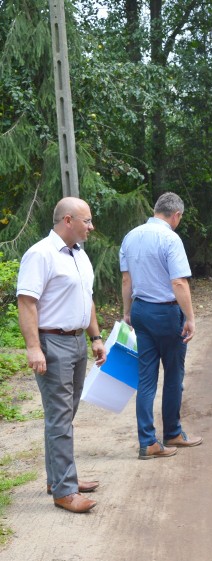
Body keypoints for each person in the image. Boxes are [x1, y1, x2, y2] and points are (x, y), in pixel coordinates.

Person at [16, 197, 106, 513]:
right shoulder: (40, 254)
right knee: (59, 417)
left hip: (78, 342)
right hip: (52, 343)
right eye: (87, 221)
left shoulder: (80, 255)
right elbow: (27, 302)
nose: (91, 227)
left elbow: (88, 298)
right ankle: (65, 491)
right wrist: (33, 347)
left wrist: (95, 337)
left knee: (64, 416)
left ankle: (58, 478)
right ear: (68, 220)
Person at [120, 192, 202, 460]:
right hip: (165, 313)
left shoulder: (130, 236)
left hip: (141, 310)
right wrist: (189, 317)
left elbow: (126, 280)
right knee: (174, 375)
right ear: (176, 215)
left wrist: (128, 312)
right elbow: (179, 283)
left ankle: (147, 441)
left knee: (146, 379)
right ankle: (172, 433)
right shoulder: (170, 238)